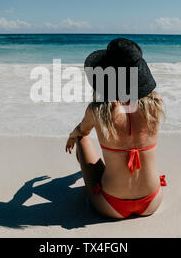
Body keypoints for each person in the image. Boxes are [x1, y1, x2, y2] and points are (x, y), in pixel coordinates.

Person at [65, 38, 167, 219]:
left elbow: (81, 131)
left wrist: (73, 136)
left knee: (82, 138)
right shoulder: (156, 105)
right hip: (152, 201)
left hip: (111, 204)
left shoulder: (98, 110)